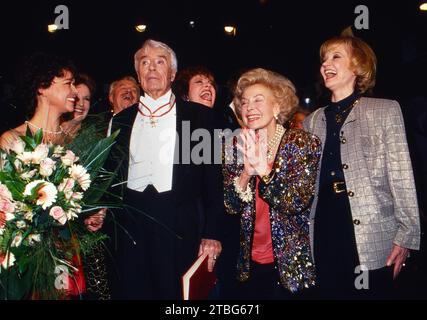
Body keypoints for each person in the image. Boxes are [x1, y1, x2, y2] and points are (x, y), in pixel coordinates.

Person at [304, 35, 421, 299]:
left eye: (335, 57)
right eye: (323, 59)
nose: (325, 64)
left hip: (372, 228)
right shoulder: (312, 121)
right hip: (323, 224)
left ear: (357, 66)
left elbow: (401, 175)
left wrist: (407, 235)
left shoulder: (385, 110)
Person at [105, 39, 223, 299]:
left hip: (180, 226)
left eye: (160, 62)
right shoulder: (120, 120)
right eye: (144, 63)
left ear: (172, 73)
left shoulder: (200, 117)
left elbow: (213, 182)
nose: (151, 68)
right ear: (138, 75)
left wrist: (212, 233)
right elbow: (110, 179)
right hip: (131, 227)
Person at [222, 68, 321, 299]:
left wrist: (265, 170)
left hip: (291, 264)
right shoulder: (234, 145)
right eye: (244, 103)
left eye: (258, 100)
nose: (249, 108)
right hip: (249, 263)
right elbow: (230, 205)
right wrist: (246, 174)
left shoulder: (302, 142)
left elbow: (296, 201)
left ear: (277, 107)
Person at [61, 73, 96, 138]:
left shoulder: (93, 137)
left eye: (86, 99)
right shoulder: (49, 132)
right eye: (76, 97)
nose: (81, 104)